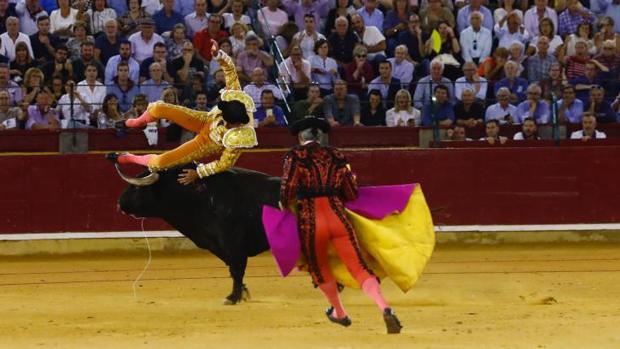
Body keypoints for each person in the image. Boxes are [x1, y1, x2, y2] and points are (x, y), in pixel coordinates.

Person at [279, 114, 402, 334]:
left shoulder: (294, 155)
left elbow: (287, 190)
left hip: (311, 220)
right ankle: (385, 308)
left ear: (300, 136)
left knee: (320, 268)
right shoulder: (337, 155)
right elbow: (351, 192)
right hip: (338, 217)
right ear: (321, 136)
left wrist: (284, 207)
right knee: (359, 268)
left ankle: (339, 312)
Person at [108, 40, 258, 184]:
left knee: (159, 163)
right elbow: (230, 69)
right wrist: (218, 54)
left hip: (206, 144)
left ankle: (127, 158)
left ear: (236, 124)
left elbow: (223, 164)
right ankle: (134, 123)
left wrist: (198, 173)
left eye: (226, 122)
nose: (224, 121)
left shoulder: (240, 138)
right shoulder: (237, 97)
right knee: (158, 108)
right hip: (205, 119)